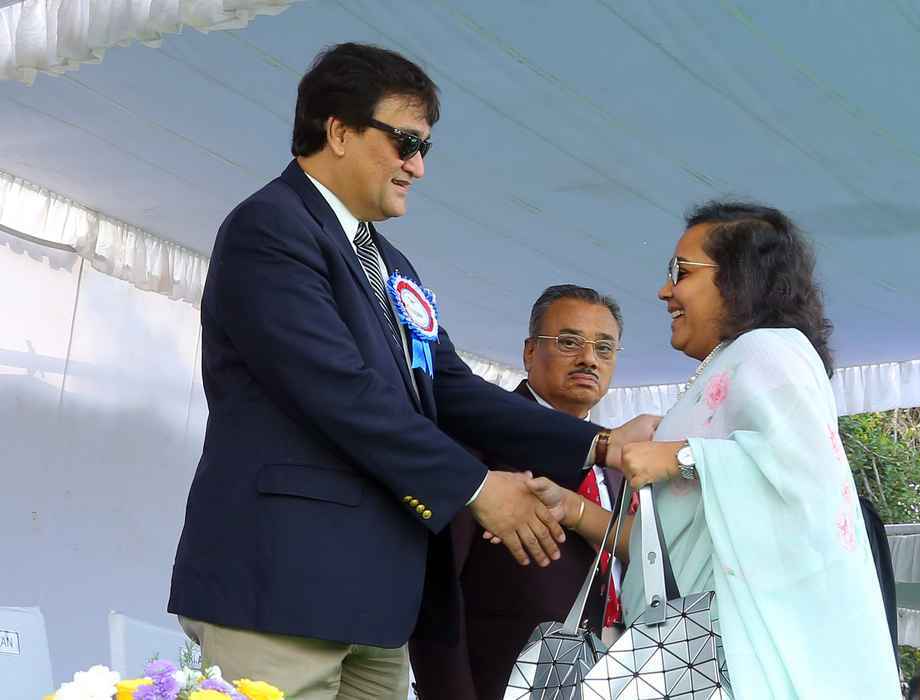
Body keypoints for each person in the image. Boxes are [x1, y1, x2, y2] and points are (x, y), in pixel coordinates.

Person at [167, 43, 657, 700]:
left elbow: (449, 387)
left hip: (377, 600)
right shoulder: (270, 228)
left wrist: (600, 444)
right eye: (404, 142)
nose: (418, 166)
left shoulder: (391, 263)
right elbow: (339, 392)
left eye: (424, 147)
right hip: (281, 581)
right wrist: (478, 487)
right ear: (338, 131)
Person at [526, 201, 901, 698]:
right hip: (693, 659)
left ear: (738, 276)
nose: (665, 291)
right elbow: (673, 543)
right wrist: (575, 510)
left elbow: (806, 476)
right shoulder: (732, 361)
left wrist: (683, 455)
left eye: (680, 272)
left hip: (732, 664)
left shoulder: (772, 349)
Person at [411, 284, 630, 699]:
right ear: (530, 352)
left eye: (605, 348)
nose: (589, 359)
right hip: (498, 681)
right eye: (569, 342)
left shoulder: (620, 463)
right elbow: (435, 592)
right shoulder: (475, 442)